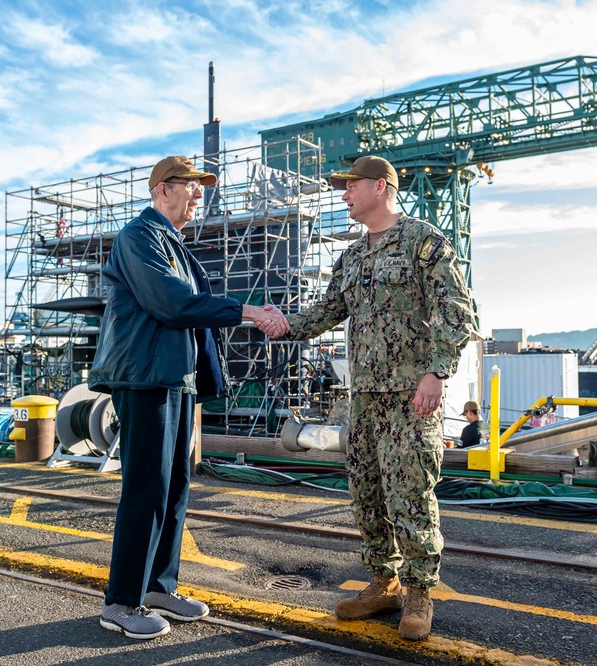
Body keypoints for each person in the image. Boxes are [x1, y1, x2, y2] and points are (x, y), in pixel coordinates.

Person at [260, 155, 475, 641]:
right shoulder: (353, 256)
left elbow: (458, 311)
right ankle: (385, 580)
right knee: (368, 494)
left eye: (350, 186)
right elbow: (330, 308)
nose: (343, 194)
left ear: (381, 187)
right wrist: (285, 323)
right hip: (365, 398)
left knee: (412, 493)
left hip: (409, 396)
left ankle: (420, 591)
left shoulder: (423, 242)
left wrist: (436, 374)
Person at [88, 155, 288, 640]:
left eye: (202, 187)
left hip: (175, 377)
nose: (201, 195)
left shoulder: (171, 242)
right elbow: (174, 304)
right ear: (163, 191)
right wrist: (249, 312)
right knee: (146, 489)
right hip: (145, 378)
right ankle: (121, 601)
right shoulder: (139, 237)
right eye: (192, 186)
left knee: (175, 484)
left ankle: (159, 586)